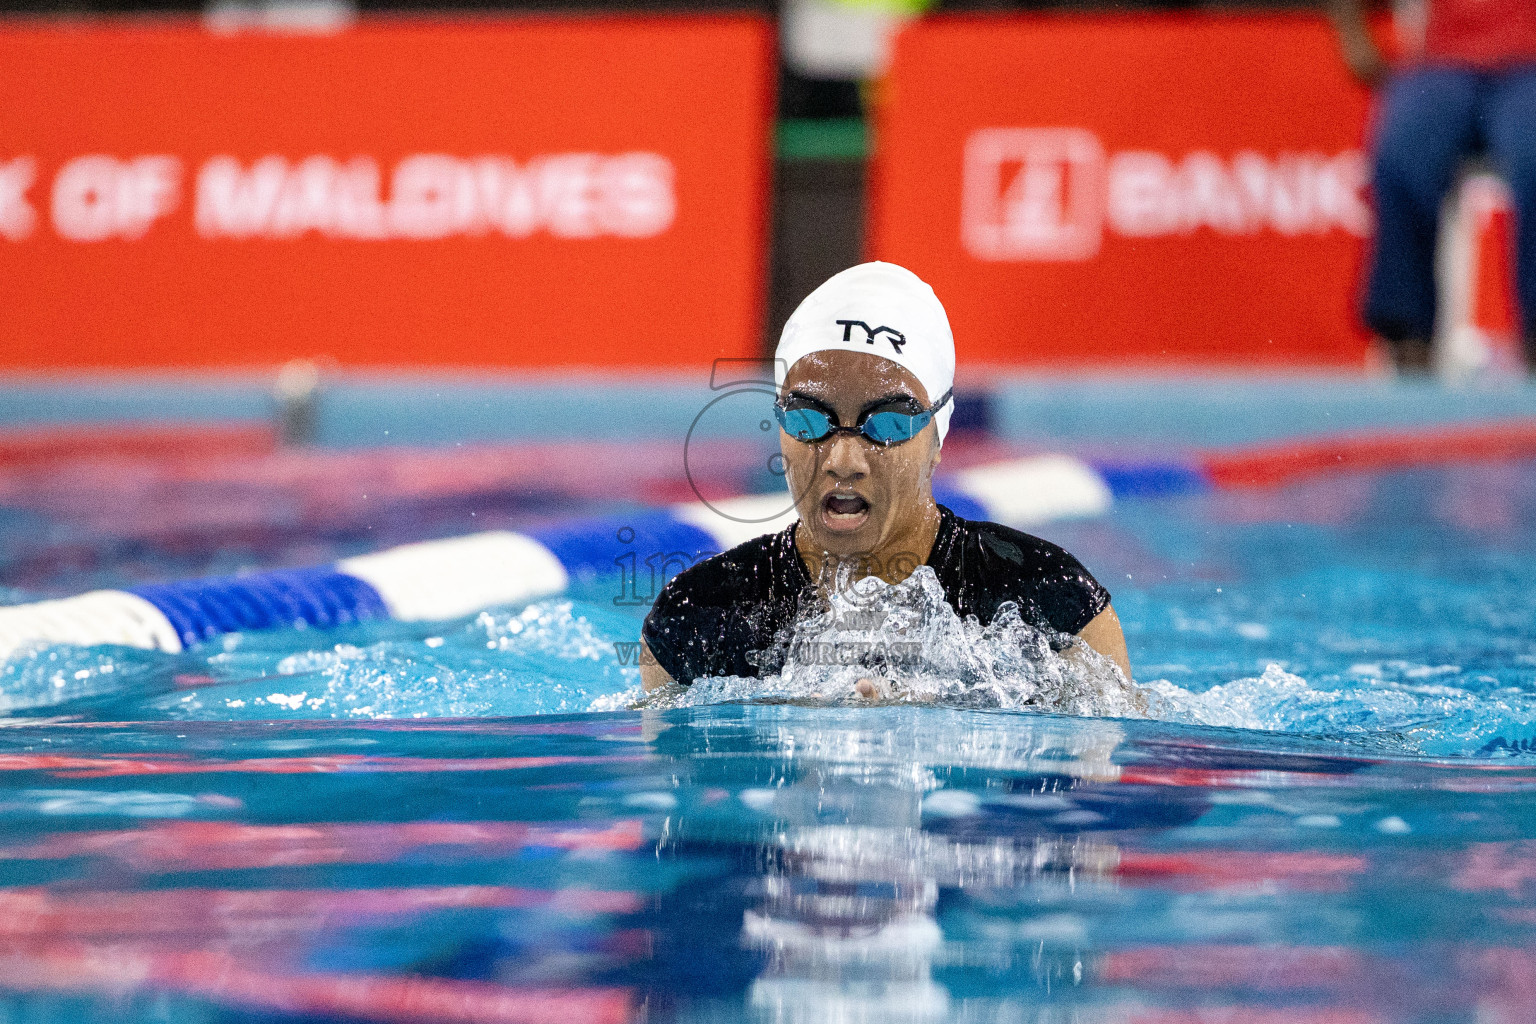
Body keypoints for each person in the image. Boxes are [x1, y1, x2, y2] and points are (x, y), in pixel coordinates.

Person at [638, 261, 1130, 697]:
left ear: (937, 439)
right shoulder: (698, 617)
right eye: (810, 419)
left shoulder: (1050, 598)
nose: (844, 459)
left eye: (889, 424)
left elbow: (1108, 763)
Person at [1327, 0, 1536, 371]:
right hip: (1443, 65)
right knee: (1401, 150)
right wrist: (1355, 37)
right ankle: (1408, 338)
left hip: (1530, 66)